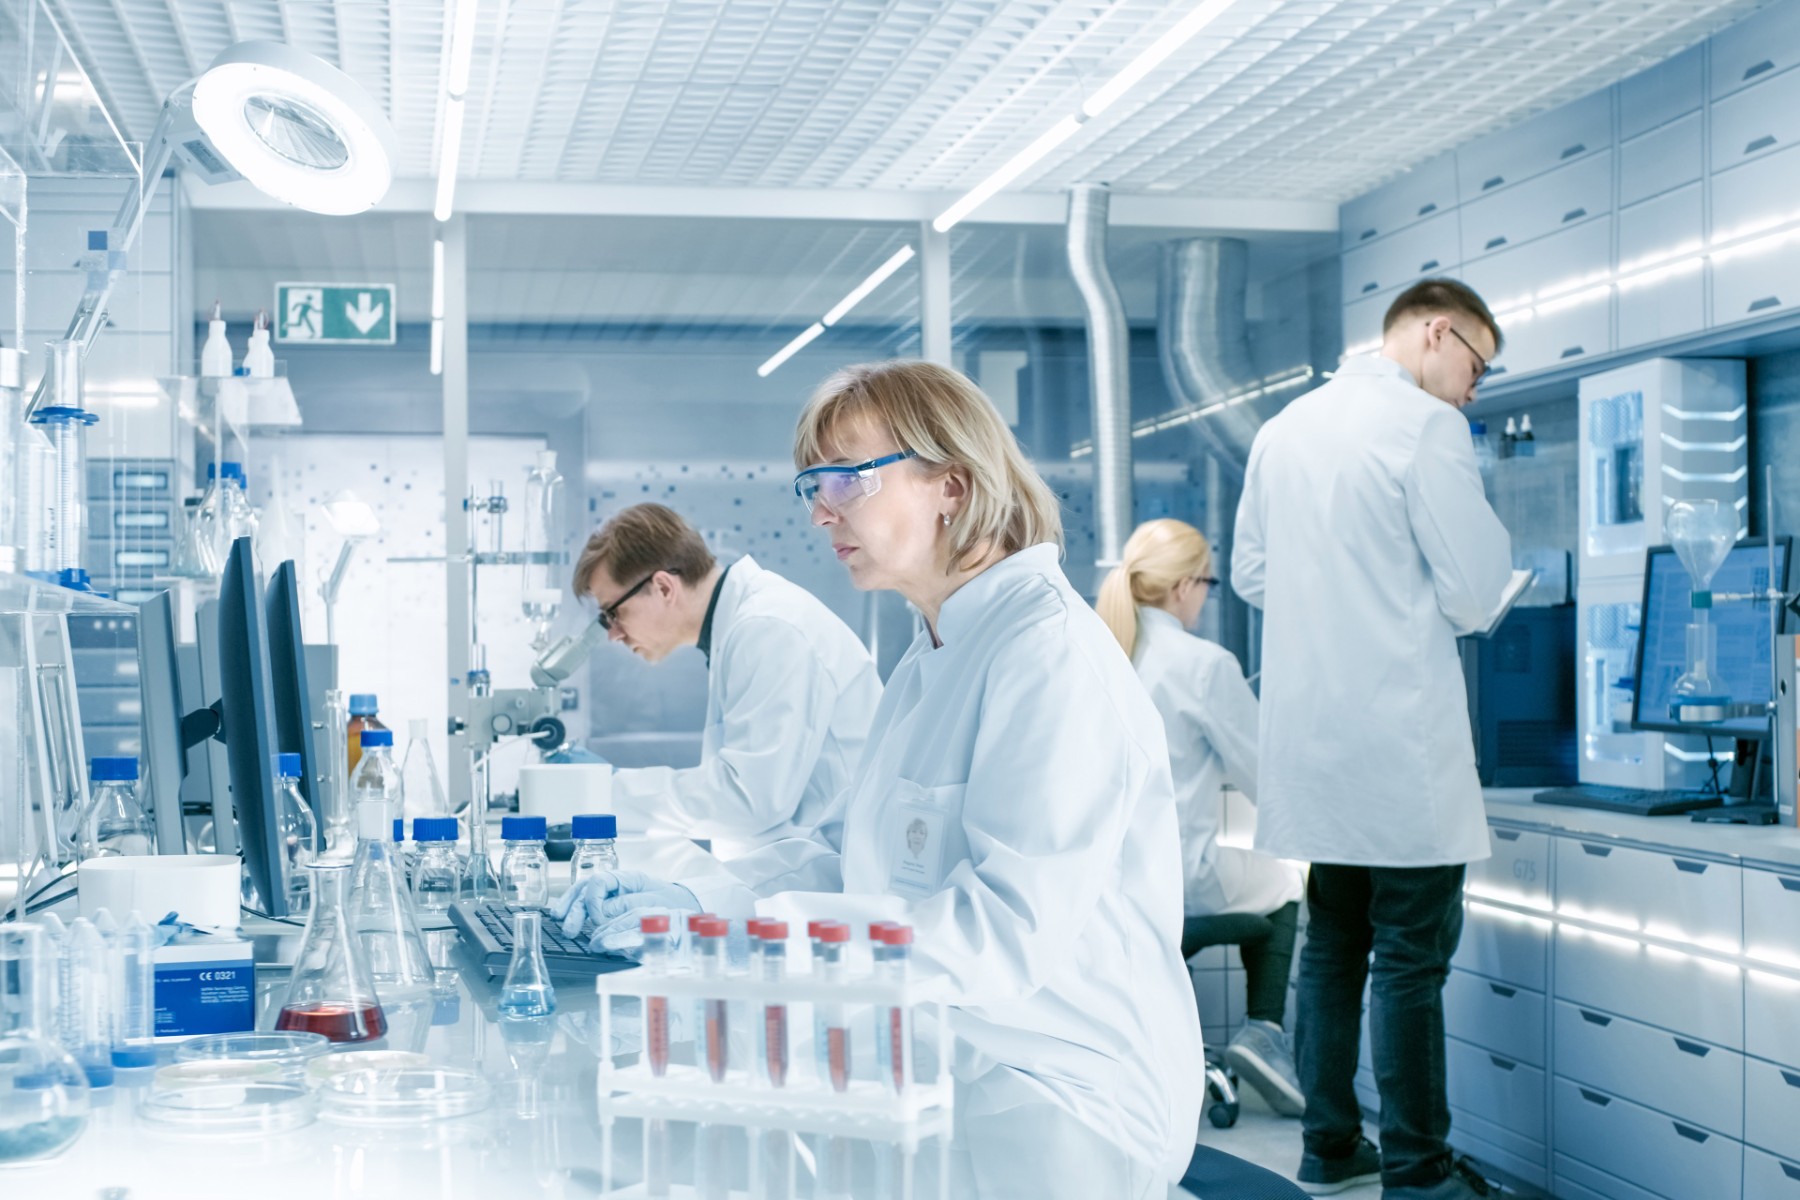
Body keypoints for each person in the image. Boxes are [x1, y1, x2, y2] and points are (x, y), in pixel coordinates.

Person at [555, 361, 1204, 1191]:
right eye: (812, 486)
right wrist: (704, 906)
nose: (823, 510)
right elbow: (868, 876)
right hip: (956, 1073)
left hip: (1066, 1109)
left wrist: (745, 939)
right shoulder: (931, 655)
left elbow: (1000, 930)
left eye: (847, 480)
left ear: (953, 486)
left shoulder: (1049, 657)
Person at [1232, 278, 1512, 1200]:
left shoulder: (1286, 429)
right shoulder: (1427, 430)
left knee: (1333, 945)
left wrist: (1340, 599)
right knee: (1408, 961)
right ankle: (1421, 1173)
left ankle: (1329, 1147)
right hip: (1401, 750)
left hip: (1314, 750)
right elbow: (1474, 596)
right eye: (1476, 364)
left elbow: (1251, 574)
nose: (1474, 390)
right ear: (1438, 334)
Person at [1097, 517, 1307, 1117]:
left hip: (1107, 886)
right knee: (1288, 881)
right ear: (1184, 586)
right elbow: (1268, 780)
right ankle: (1264, 1032)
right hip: (1181, 881)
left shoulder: (1100, 651)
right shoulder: (1204, 663)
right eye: (1208, 586)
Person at [570, 503, 881, 861]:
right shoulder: (741, 629)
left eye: (613, 612)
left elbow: (750, 799)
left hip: (821, 886)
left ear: (663, 588)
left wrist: (603, 793)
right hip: (785, 879)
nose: (614, 634)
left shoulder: (769, 628)